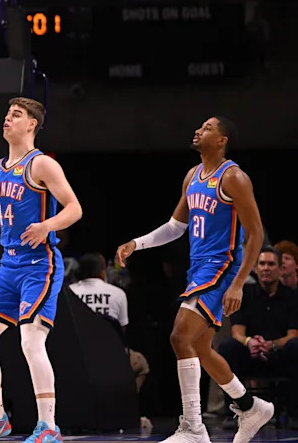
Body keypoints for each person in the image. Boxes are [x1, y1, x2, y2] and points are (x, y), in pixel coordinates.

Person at [116, 117, 274, 443]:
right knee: (200, 348)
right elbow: (176, 226)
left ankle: (193, 427)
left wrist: (238, 283)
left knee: (178, 337)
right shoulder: (192, 176)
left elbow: (256, 234)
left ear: (222, 140)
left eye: (208, 127)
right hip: (199, 269)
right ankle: (250, 407)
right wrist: (137, 244)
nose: (200, 130)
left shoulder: (234, 177)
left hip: (221, 268)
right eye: (200, 126)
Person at [0, 98, 82, 443]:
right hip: (9, 266)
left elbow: (74, 208)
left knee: (31, 340)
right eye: (7, 115)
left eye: (16, 115)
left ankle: (49, 426)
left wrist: (46, 226)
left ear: (32, 124)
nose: (8, 119)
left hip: (40, 264)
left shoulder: (42, 165)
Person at [217, 247, 297, 416]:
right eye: (262, 264)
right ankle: (233, 412)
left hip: (278, 355)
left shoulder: (292, 297)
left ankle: (293, 413)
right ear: (255, 268)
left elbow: (292, 335)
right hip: (250, 355)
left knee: (295, 346)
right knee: (228, 347)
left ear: (280, 269)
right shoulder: (243, 294)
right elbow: (237, 333)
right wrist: (250, 342)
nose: (266, 268)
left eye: (271, 264)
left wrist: (272, 344)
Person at [70, 253, 149, 391]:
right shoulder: (117, 293)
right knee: (141, 364)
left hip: (77, 356)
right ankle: (124, 408)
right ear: (102, 270)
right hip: (112, 357)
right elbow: (122, 330)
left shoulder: (70, 292)